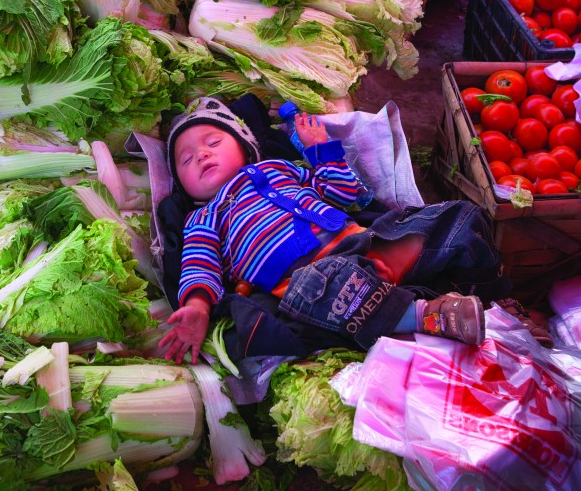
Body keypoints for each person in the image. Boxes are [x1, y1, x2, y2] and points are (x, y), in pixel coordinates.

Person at [157, 96, 525, 367]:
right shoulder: (203, 217)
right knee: (328, 285)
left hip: (369, 245)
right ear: (182, 186)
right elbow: (199, 265)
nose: (202, 155)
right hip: (308, 281)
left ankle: (497, 304)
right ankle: (425, 315)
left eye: (213, 142)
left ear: (245, 148)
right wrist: (198, 306)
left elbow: (346, 195)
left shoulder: (279, 169)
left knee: (457, 219)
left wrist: (323, 153)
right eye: (186, 159)